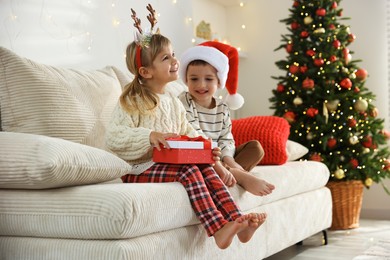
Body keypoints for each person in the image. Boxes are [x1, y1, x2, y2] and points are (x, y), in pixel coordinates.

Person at [105, 5, 266, 250]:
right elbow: (114, 137)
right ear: (145, 71)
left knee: (205, 168)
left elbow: (190, 132)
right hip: (138, 169)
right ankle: (218, 228)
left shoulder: (173, 101)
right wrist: (150, 136)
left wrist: (212, 156)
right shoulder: (132, 101)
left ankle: (237, 221)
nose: (174, 60)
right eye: (166, 58)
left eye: (172, 54)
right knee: (189, 171)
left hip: (166, 164)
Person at [179, 41, 275, 196]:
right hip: (199, 154)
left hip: (221, 155)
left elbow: (226, 138)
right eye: (194, 79)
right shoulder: (183, 102)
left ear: (219, 82)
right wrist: (219, 161)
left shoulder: (222, 108)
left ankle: (226, 171)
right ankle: (237, 175)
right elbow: (194, 134)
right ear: (187, 80)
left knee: (255, 148)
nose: (201, 84)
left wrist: (229, 158)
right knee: (196, 156)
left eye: (208, 79)